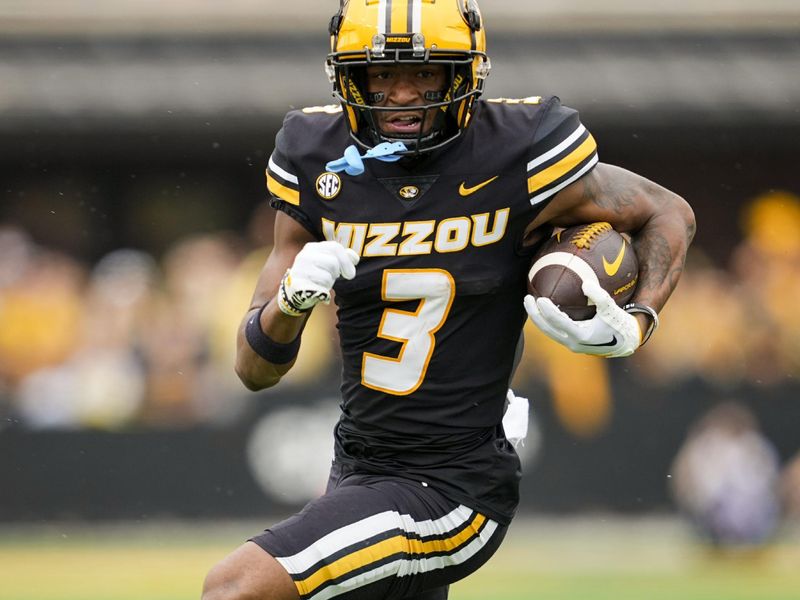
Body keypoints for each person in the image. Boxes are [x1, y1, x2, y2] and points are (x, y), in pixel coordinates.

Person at [202, 2, 695, 599]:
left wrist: (637, 321)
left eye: (425, 74)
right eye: (381, 75)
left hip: (454, 484)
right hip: (355, 467)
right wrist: (292, 299)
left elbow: (667, 211)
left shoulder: (521, 148)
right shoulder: (314, 156)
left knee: (235, 588)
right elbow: (252, 370)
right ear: (349, 79)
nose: (403, 93)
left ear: (463, 77)